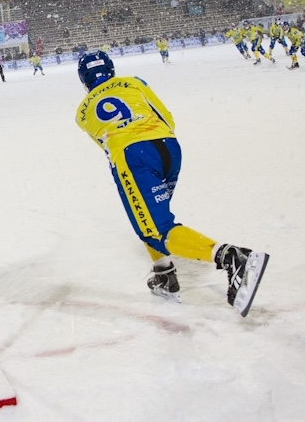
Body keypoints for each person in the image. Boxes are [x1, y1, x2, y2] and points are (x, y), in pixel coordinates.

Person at [74, 50, 269, 316]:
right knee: (152, 220)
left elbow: (106, 146)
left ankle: (230, 257)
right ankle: (164, 275)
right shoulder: (133, 82)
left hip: (132, 156)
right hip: (168, 147)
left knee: (155, 227)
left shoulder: (82, 112)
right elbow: (166, 116)